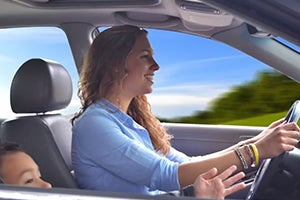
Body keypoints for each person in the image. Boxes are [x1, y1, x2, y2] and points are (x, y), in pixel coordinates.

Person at [71, 25, 300, 198]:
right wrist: (254, 152)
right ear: (115, 64)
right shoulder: (94, 124)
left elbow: (188, 163)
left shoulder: (128, 119)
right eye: (145, 56)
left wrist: (256, 142)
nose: (156, 65)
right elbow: (166, 175)